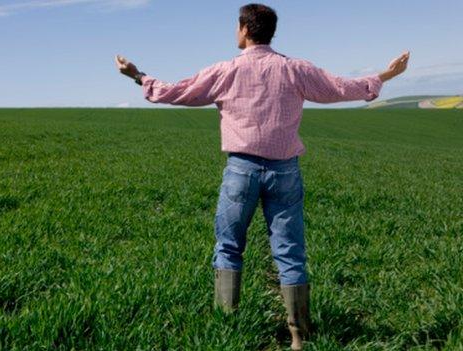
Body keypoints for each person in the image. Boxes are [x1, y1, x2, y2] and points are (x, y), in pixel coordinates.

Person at [115, 3, 409, 350]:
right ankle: (299, 337)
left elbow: (176, 91)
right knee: (290, 252)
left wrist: (138, 75)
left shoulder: (226, 70)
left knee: (228, 247)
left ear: (244, 29)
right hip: (285, 171)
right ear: (271, 32)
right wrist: (387, 76)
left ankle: (227, 329)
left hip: (241, 170)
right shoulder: (294, 69)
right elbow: (342, 88)